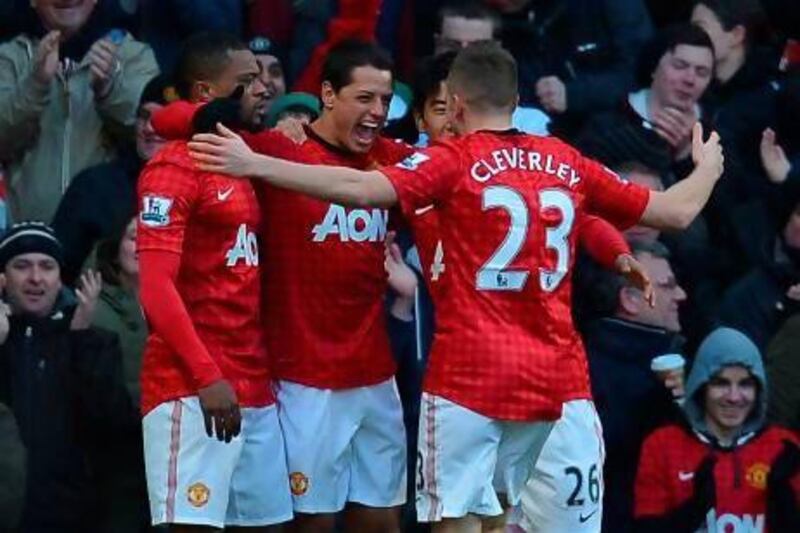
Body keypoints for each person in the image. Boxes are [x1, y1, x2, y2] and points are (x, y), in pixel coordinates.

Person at [188, 41, 724, 532]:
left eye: (450, 107)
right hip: (551, 376)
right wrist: (707, 167)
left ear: (461, 104)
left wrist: (254, 162)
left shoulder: (446, 164)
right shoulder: (560, 159)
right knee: (501, 518)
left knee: (468, 519)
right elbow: (669, 210)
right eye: (434, 110)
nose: (446, 119)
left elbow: (359, 188)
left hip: (470, 376)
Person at [154, 39, 416, 533]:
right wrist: (211, 117)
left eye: (384, 101)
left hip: (375, 375)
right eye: (364, 98)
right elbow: (164, 122)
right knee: (312, 524)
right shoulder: (275, 149)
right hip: (302, 379)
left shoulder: (393, 161)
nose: (377, 112)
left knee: (381, 522)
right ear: (327, 95)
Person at [136, 32, 292, 531]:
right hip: (194, 385)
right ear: (206, 92)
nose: (263, 89)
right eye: (247, 82)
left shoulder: (240, 156)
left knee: (266, 525)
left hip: (254, 383)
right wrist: (206, 376)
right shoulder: (173, 167)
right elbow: (156, 286)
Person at [0, 221, 135, 532]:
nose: (36, 278)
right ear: (3, 279)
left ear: (60, 277)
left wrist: (81, 341)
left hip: (73, 519)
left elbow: (114, 427)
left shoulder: (93, 342)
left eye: (47, 266)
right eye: (22, 266)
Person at [0, 0, 159, 222]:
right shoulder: (8, 58)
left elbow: (155, 135)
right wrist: (35, 85)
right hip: (29, 243)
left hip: (106, 241)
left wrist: (109, 90)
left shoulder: (132, 55)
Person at [635, 327, 800, 532]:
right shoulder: (662, 445)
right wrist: (694, 509)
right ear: (701, 386)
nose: (734, 396)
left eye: (745, 384)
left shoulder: (784, 448)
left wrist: (784, 501)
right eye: (721, 383)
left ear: (759, 390)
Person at [576, 240, 686, 532]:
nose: (681, 295)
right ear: (630, 300)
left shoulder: (666, 363)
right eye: (667, 286)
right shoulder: (589, 373)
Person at [51, 73, 173, 285]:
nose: (150, 129)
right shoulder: (94, 186)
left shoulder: (207, 188)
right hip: (105, 311)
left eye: (163, 119)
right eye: (144, 117)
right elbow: (59, 267)